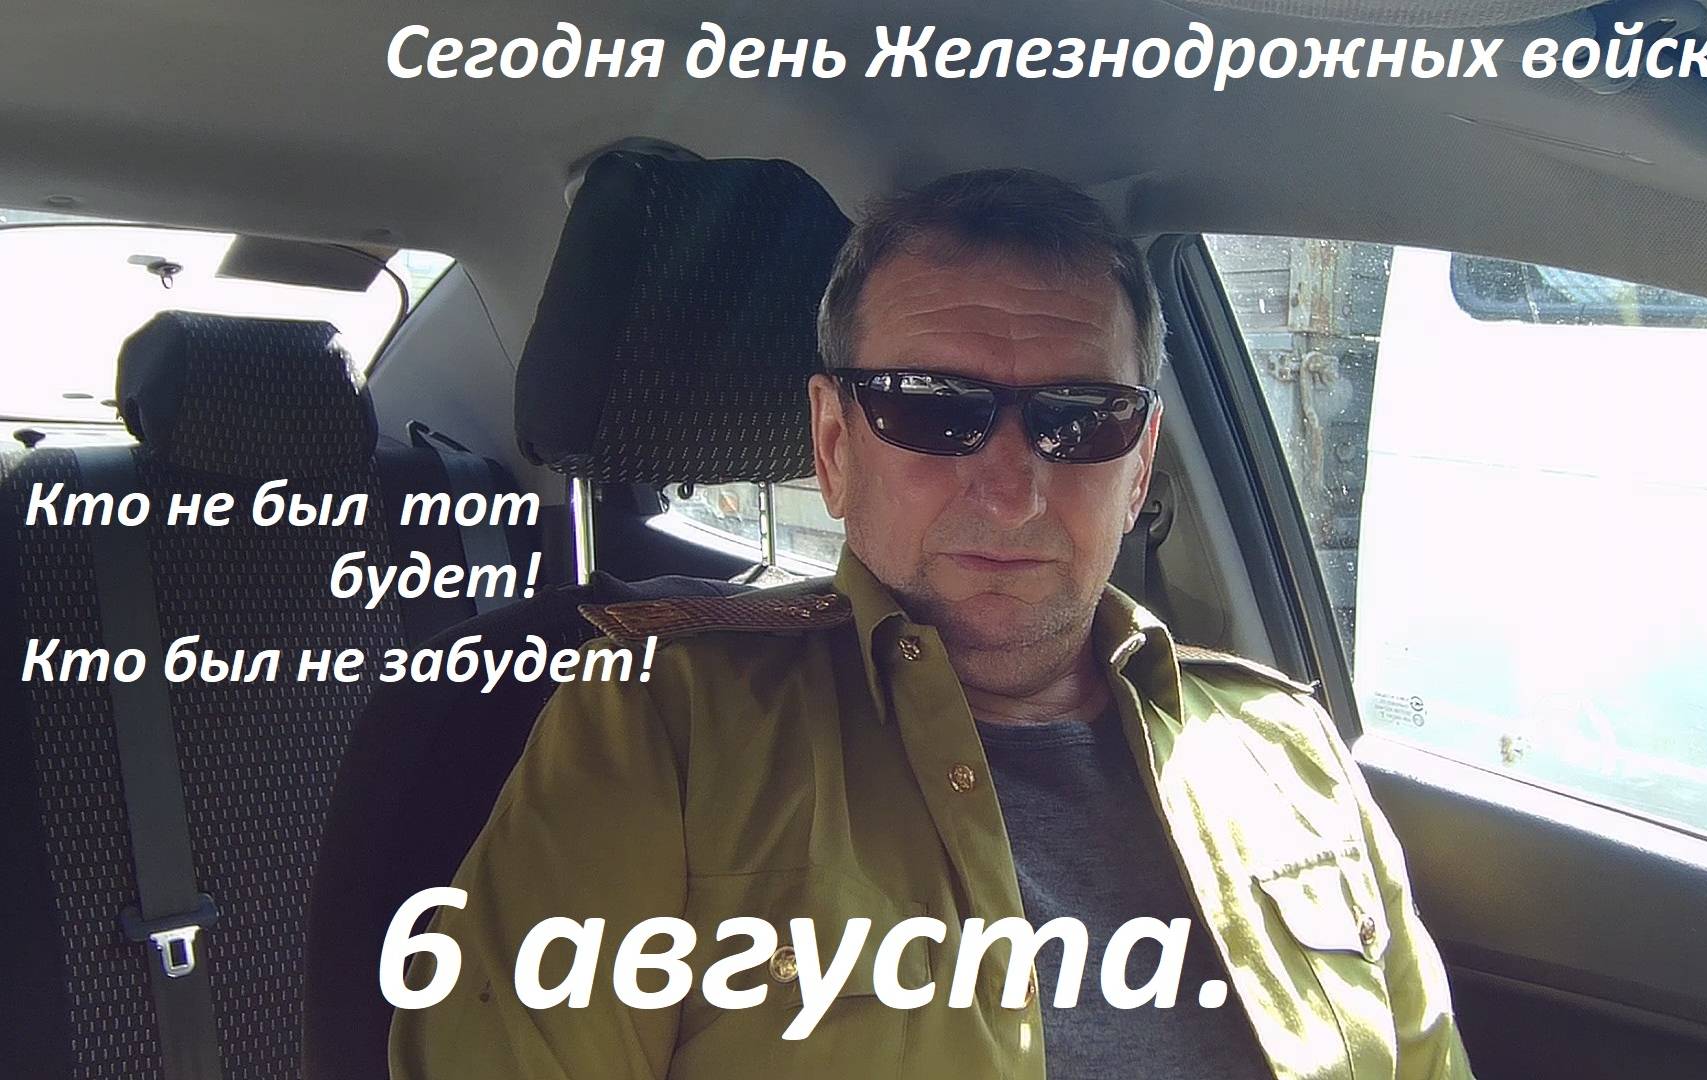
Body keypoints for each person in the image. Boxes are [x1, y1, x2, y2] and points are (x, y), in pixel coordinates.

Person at [389, 168, 1472, 1079]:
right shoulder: (663, 732)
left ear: (1139, 465)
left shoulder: (1289, 753)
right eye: (929, 408)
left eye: (1079, 421)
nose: (1010, 492)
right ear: (834, 445)